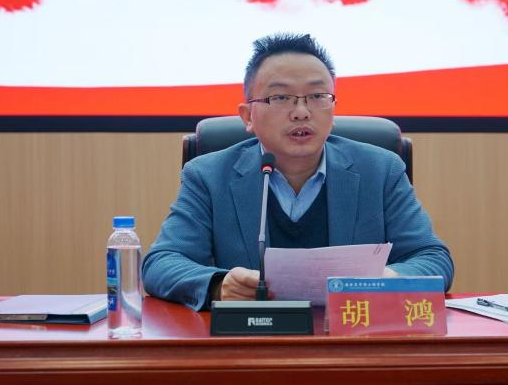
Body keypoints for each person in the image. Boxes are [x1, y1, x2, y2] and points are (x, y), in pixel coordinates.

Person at [142, 33, 454, 311]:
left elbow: (433, 258)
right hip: (251, 344)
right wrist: (219, 286)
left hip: (351, 341)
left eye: (317, 96)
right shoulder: (208, 176)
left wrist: (387, 279)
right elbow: (162, 263)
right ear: (248, 116)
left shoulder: (381, 170)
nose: (302, 112)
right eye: (280, 98)